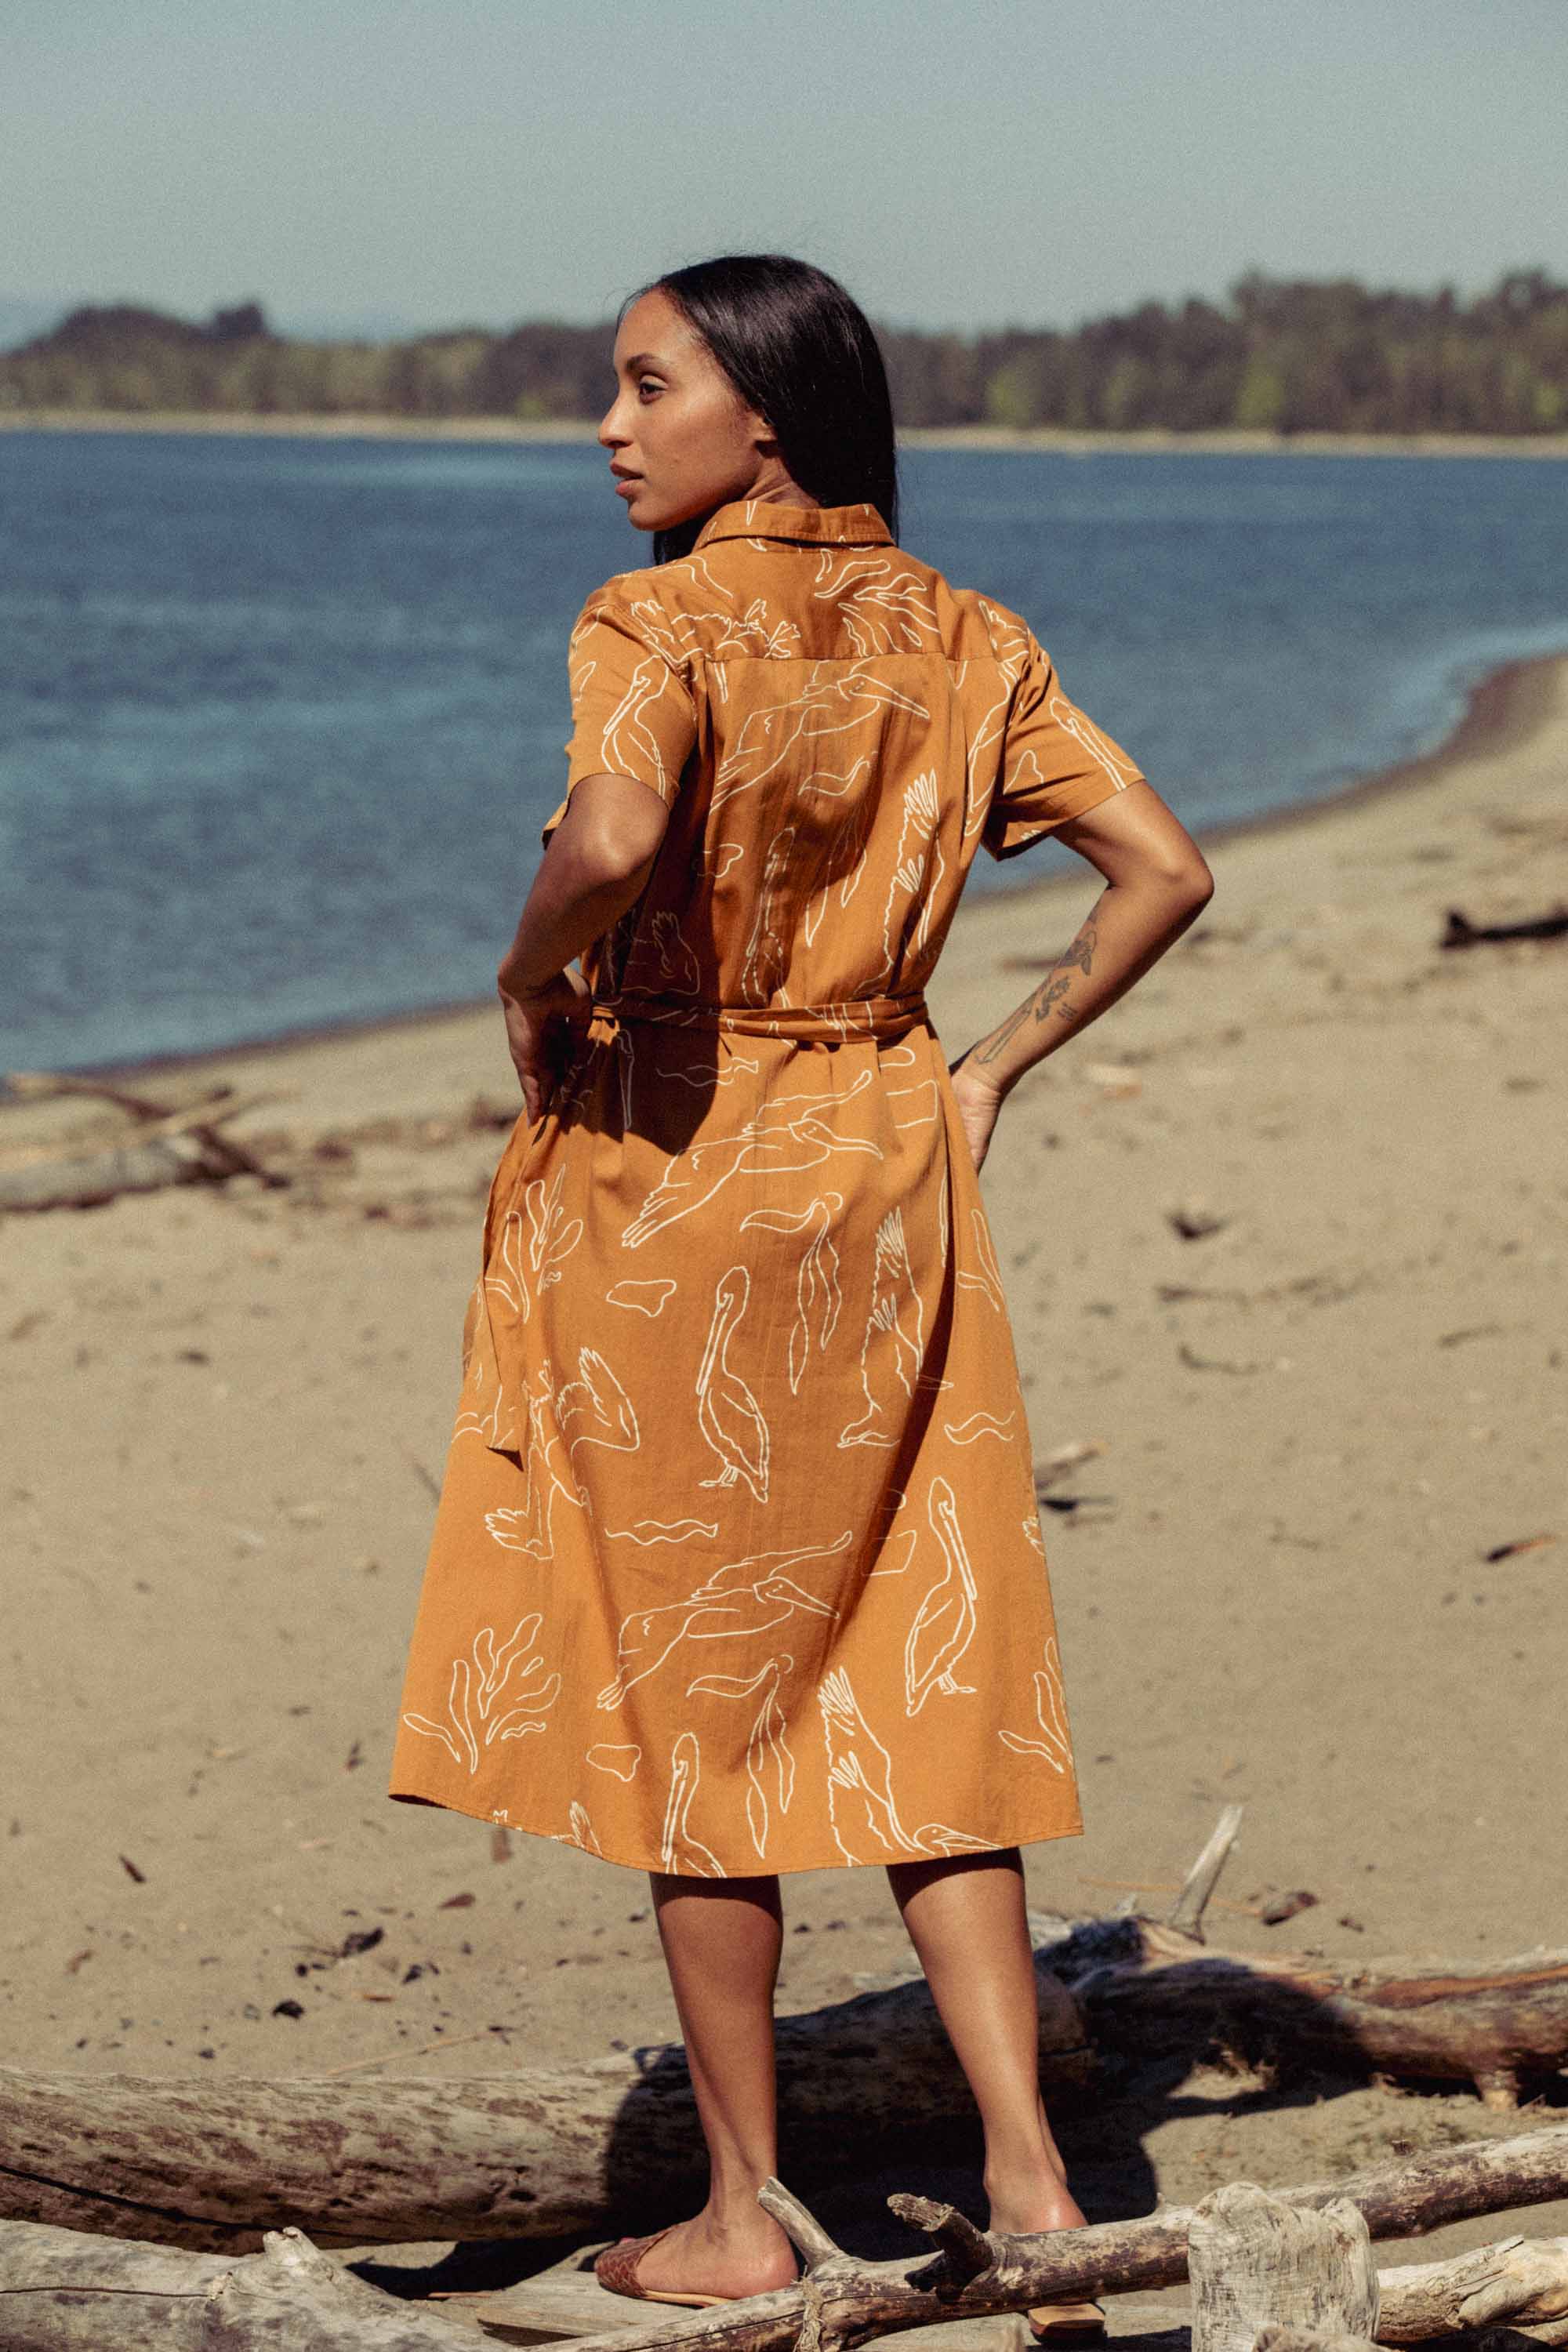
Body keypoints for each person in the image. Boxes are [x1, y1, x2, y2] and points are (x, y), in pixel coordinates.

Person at [388, 253, 1213, 2331]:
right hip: (886, 1152)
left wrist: (527, 976)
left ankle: (748, 2209)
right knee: (923, 1663)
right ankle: (1035, 2186)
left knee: (703, 1705)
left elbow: (608, 831)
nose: (609, 421)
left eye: (643, 383)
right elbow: (1167, 869)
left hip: (679, 1156)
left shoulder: (653, 617)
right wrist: (996, 1064)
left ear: (759, 409)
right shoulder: (963, 630)